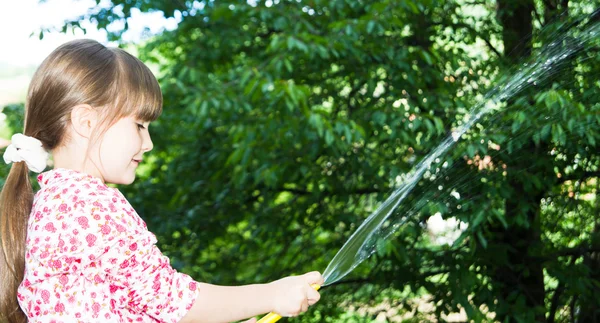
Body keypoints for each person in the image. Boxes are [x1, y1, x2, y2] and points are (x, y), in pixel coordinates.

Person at [0, 39, 323, 323]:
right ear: (86, 121)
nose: (149, 142)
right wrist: (270, 294)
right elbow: (172, 301)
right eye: (140, 125)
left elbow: (133, 309)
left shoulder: (53, 203)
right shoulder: (86, 206)